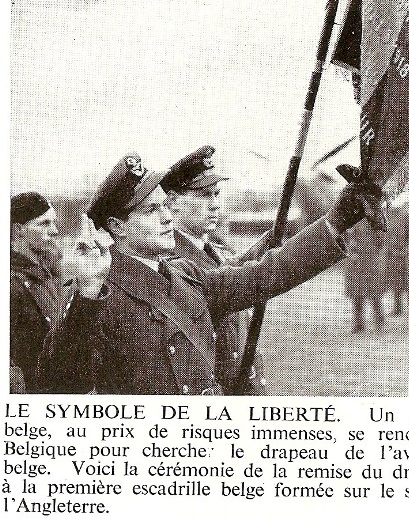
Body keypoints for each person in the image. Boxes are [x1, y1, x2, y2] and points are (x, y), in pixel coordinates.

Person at [38, 153, 384, 395]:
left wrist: (339, 217)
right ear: (117, 226)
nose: (167, 217)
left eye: (165, 206)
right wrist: (88, 292)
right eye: (151, 210)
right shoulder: (94, 293)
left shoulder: (187, 274)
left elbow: (265, 274)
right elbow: (58, 386)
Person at [160, 145, 268, 394]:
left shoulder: (216, 252)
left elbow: (232, 269)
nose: (215, 205)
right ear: (173, 202)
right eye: (204, 195)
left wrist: (269, 240)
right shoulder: (170, 263)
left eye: (217, 194)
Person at [10, 192, 63, 392]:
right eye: (44, 223)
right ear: (18, 230)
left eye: (54, 223)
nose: (54, 230)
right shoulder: (11, 283)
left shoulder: (44, 272)